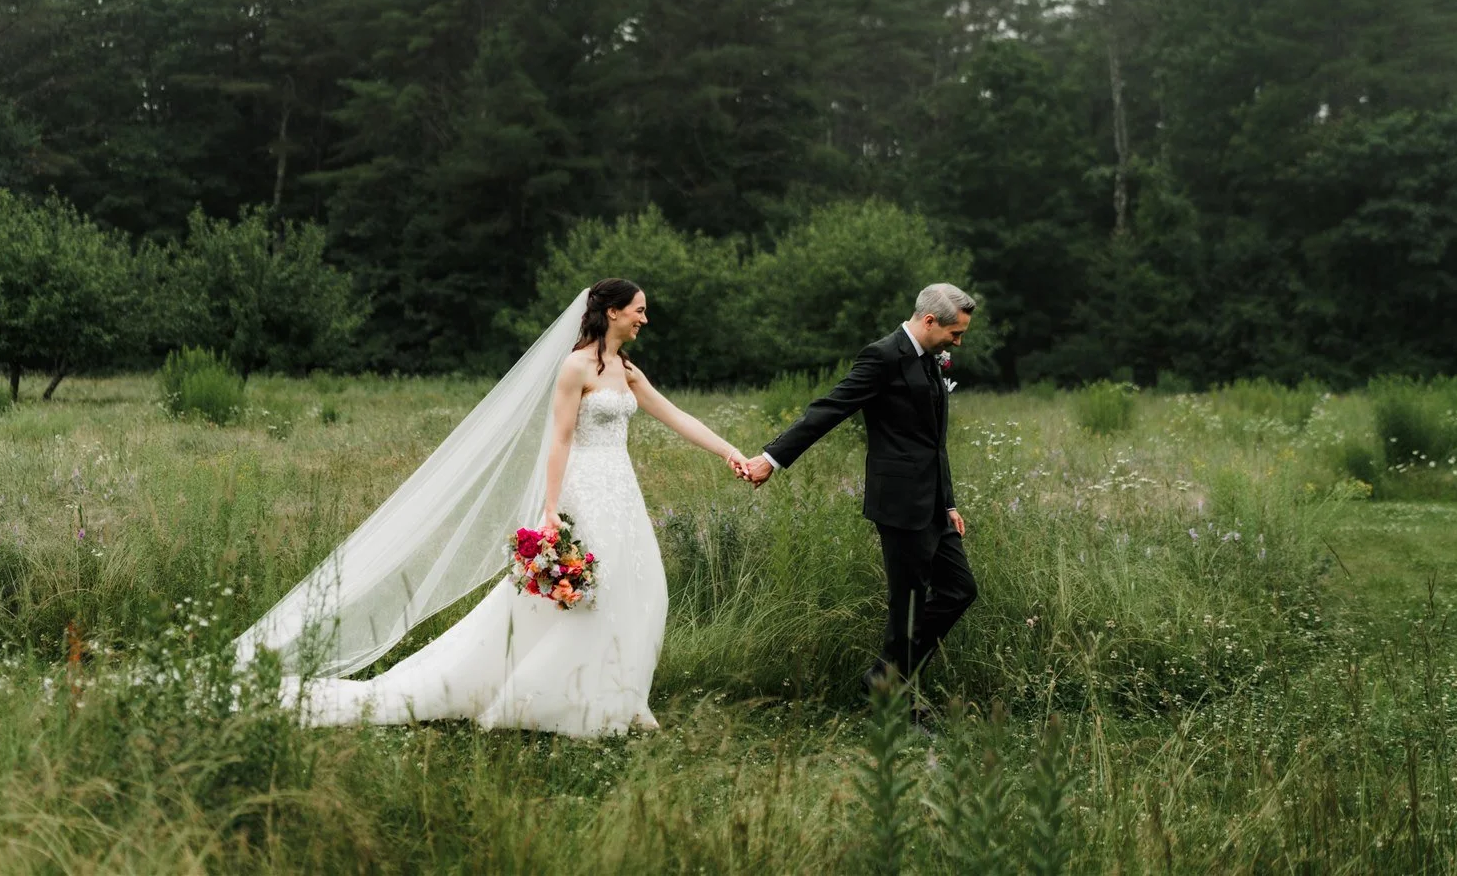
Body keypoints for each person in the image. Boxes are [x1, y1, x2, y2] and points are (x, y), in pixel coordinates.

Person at [233, 278, 747, 737]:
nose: (644, 319)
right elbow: (559, 439)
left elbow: (676, 415)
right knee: (591, 595)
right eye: (639, 310)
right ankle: (564, 699)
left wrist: (731, 453)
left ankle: (623, 695)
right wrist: (551, 509)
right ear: (613, 312)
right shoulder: (575, 367)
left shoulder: (627, 370)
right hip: (584, 491)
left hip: (622, 493)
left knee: (640, 586)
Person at [743, 283, 980, 714]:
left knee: (959, 590)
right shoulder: (883, 356)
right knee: (907, 607)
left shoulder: (931, 358)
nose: (958, 343)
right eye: (955, 334)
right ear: (929, 321)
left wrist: (948, 503)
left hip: (933, 504)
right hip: (900, 503)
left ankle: (883, 677)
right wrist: (771, 458)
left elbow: (935, 442)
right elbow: (830, 409)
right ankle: (894, 698)